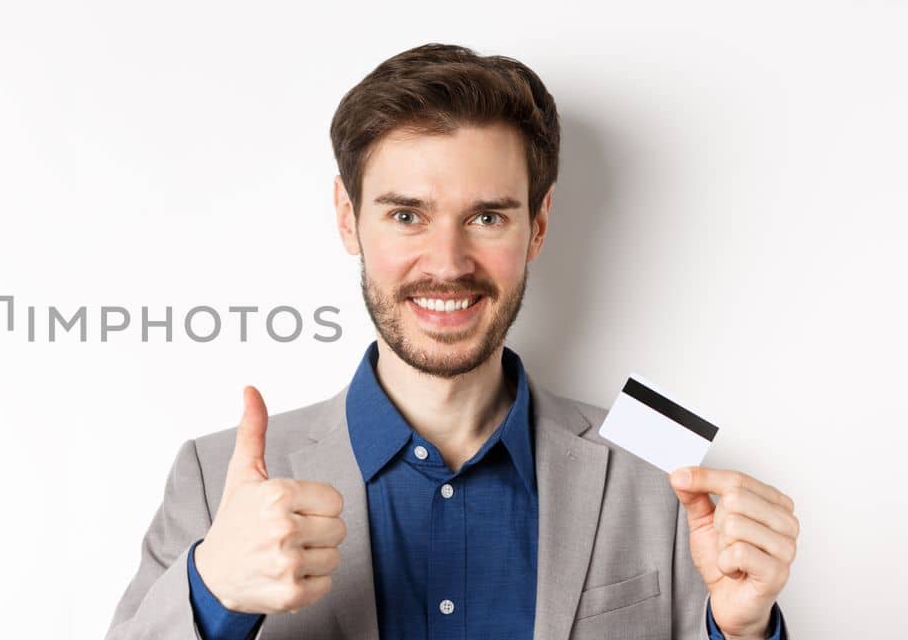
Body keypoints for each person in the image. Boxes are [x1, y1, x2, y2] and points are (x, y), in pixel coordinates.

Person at [105, 43, 797, 640]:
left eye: (487, 216)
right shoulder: (214, 475)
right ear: (348, 219)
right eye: (407, 214)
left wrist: (741, 632)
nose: (447, 261)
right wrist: (212, 590)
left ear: (540, 223)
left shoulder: (662, 465)